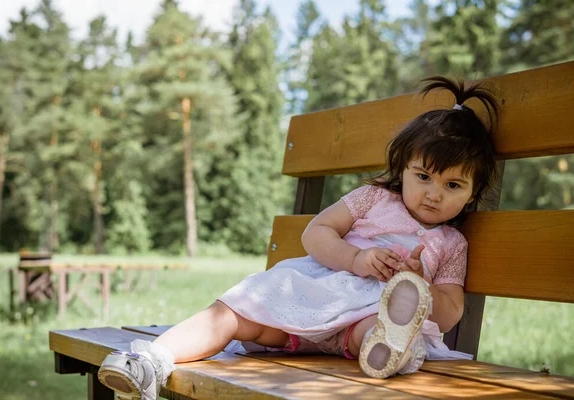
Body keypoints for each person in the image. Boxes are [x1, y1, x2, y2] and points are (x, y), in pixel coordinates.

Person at [97, 76, 499, 400]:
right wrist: (356, 260)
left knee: (378, 329)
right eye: (424, 177)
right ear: (403, 168)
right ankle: (152, 360)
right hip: (305, 305)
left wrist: (421, 286)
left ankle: (395, 343)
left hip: (361, 324)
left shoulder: (451, 244)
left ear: (473, 191)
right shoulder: (373, 199)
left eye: (453, 185)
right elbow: (316, 232)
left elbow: (449, 313)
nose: (434, 193)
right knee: (234, 313)